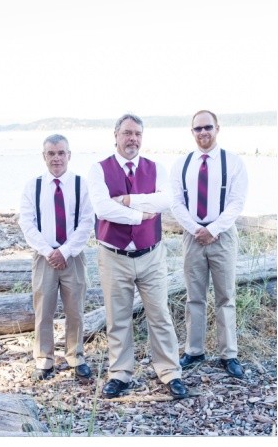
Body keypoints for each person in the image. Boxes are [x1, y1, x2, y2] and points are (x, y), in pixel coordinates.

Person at [88, 113, 187, 399]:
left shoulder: (156, 168)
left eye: (138, 134)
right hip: (113, 255)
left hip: (151, 254)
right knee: (117, 317)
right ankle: (120, 373)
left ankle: (170, 372)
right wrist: (141, 214)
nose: (133, 139)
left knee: (160, 315)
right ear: (115, 135)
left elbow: (166, 201)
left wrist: (129, 201)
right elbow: (103, 208)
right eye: (127, 133)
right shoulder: (98, 169)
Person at [169, 109, 248, 379]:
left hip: (222, 235)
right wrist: (196, 229)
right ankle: (194, 350)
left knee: (225, 296)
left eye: (207, 127)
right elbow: (177, 202)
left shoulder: (233, 162)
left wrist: (213, 229)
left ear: (217, 128)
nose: (203, 132)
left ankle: (229, 355)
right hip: (192, 236)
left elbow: (236, 202)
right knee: (195, 296)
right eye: (198, 128)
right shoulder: (182, 163)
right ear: (192, 132)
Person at [17, 135, 95, 381]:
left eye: (61, 152)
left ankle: (76, 356)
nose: (56, 158)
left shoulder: (81, 185)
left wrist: (65, 251)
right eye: (51, 153)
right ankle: (44, 359)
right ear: (44, 157)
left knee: (75, 310)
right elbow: (27, 223)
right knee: (44, 310)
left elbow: (86, 221)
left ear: (69, 155)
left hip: (73, 256)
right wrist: (48, 251)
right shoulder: (34, 185)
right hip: (44, 256)